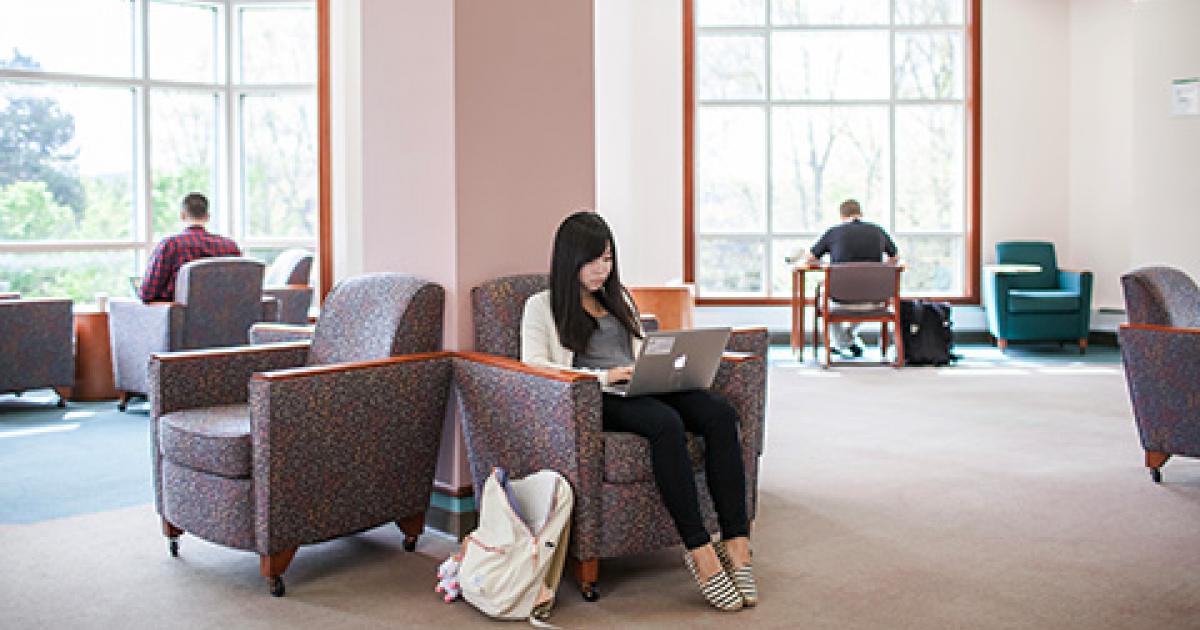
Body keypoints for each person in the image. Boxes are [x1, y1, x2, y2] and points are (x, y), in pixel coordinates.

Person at [521, 211, 757, 612]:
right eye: (592, 260)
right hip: (598, 397)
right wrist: (602, 374)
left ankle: (736, 541)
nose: (601, 270)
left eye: (608, 259)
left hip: (640, 384)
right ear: (568, 260)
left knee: (719, 413)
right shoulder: (541, 306)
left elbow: (641, 349)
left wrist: (662, 366)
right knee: (665, 424)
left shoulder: (619, 297)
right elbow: (535, 365)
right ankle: (699, 549)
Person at [800, 199, 898, 357]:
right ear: (861, 214)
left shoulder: (833, 232)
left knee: (826, 295)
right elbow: (895, 258)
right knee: (863, 297)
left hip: (840, 300)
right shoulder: (878, 231)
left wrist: (826, 263)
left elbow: (810, 259)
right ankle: (847, 339)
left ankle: (842, 341)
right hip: (874, 300)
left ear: (841, 216)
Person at [137, 193, 241, 303]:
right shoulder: (230, 246)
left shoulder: (171, 245)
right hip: (226, 316)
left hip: (181, 317)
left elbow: (147, 293)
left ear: (182, 215)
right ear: (207, 217)